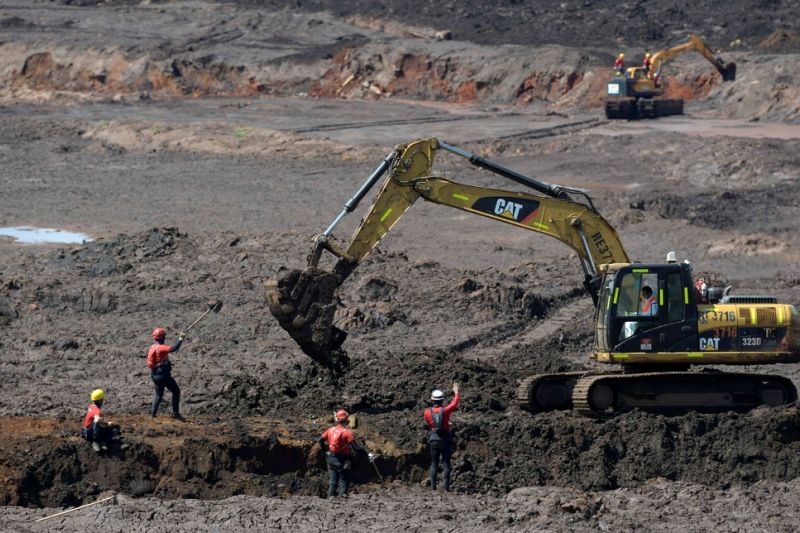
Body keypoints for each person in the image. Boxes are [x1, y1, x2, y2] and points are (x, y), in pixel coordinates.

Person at [319, 410, 366, 498]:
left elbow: (320, 440)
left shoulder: (330, 430)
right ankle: (341, 499)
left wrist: (325, 450)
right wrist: (367, 455)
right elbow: (356, 448)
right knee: (344, 480)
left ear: (337, 420)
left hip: (330, 457)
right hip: (342, 459)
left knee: (333, 481)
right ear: (347, 420)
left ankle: (329, 500)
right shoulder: (347, 432)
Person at [424, 382, 459, 491]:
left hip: (434, 439)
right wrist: (456, 392)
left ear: (432, 400)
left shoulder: (427, 412)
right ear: (442, 400)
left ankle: (433, 488)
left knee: (434, 463)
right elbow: (454, 404)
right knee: (446, 463)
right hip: (445, 439)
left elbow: (431, 424)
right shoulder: (446, 410)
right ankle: (446, 488)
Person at [147, 327, 185, 420]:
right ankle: (175, 413)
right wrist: (181, 338)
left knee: (158, 395)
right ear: (162, 337)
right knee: (176, 391)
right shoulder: (161, 348)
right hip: (163, 375)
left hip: (154, 374)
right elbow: (174, 348)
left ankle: (152, 415)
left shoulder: (152, 347)